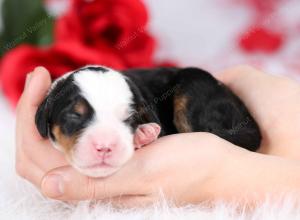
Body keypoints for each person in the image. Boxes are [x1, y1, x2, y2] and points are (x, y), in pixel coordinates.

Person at [15, 65, 300, 207]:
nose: (102, 144)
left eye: (126, 118)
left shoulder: (136, 96)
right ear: (46, 118)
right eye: (75, 118)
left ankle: (225, 139)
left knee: (193, 81)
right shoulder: (55, 100)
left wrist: (223, 169)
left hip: (196, 90)